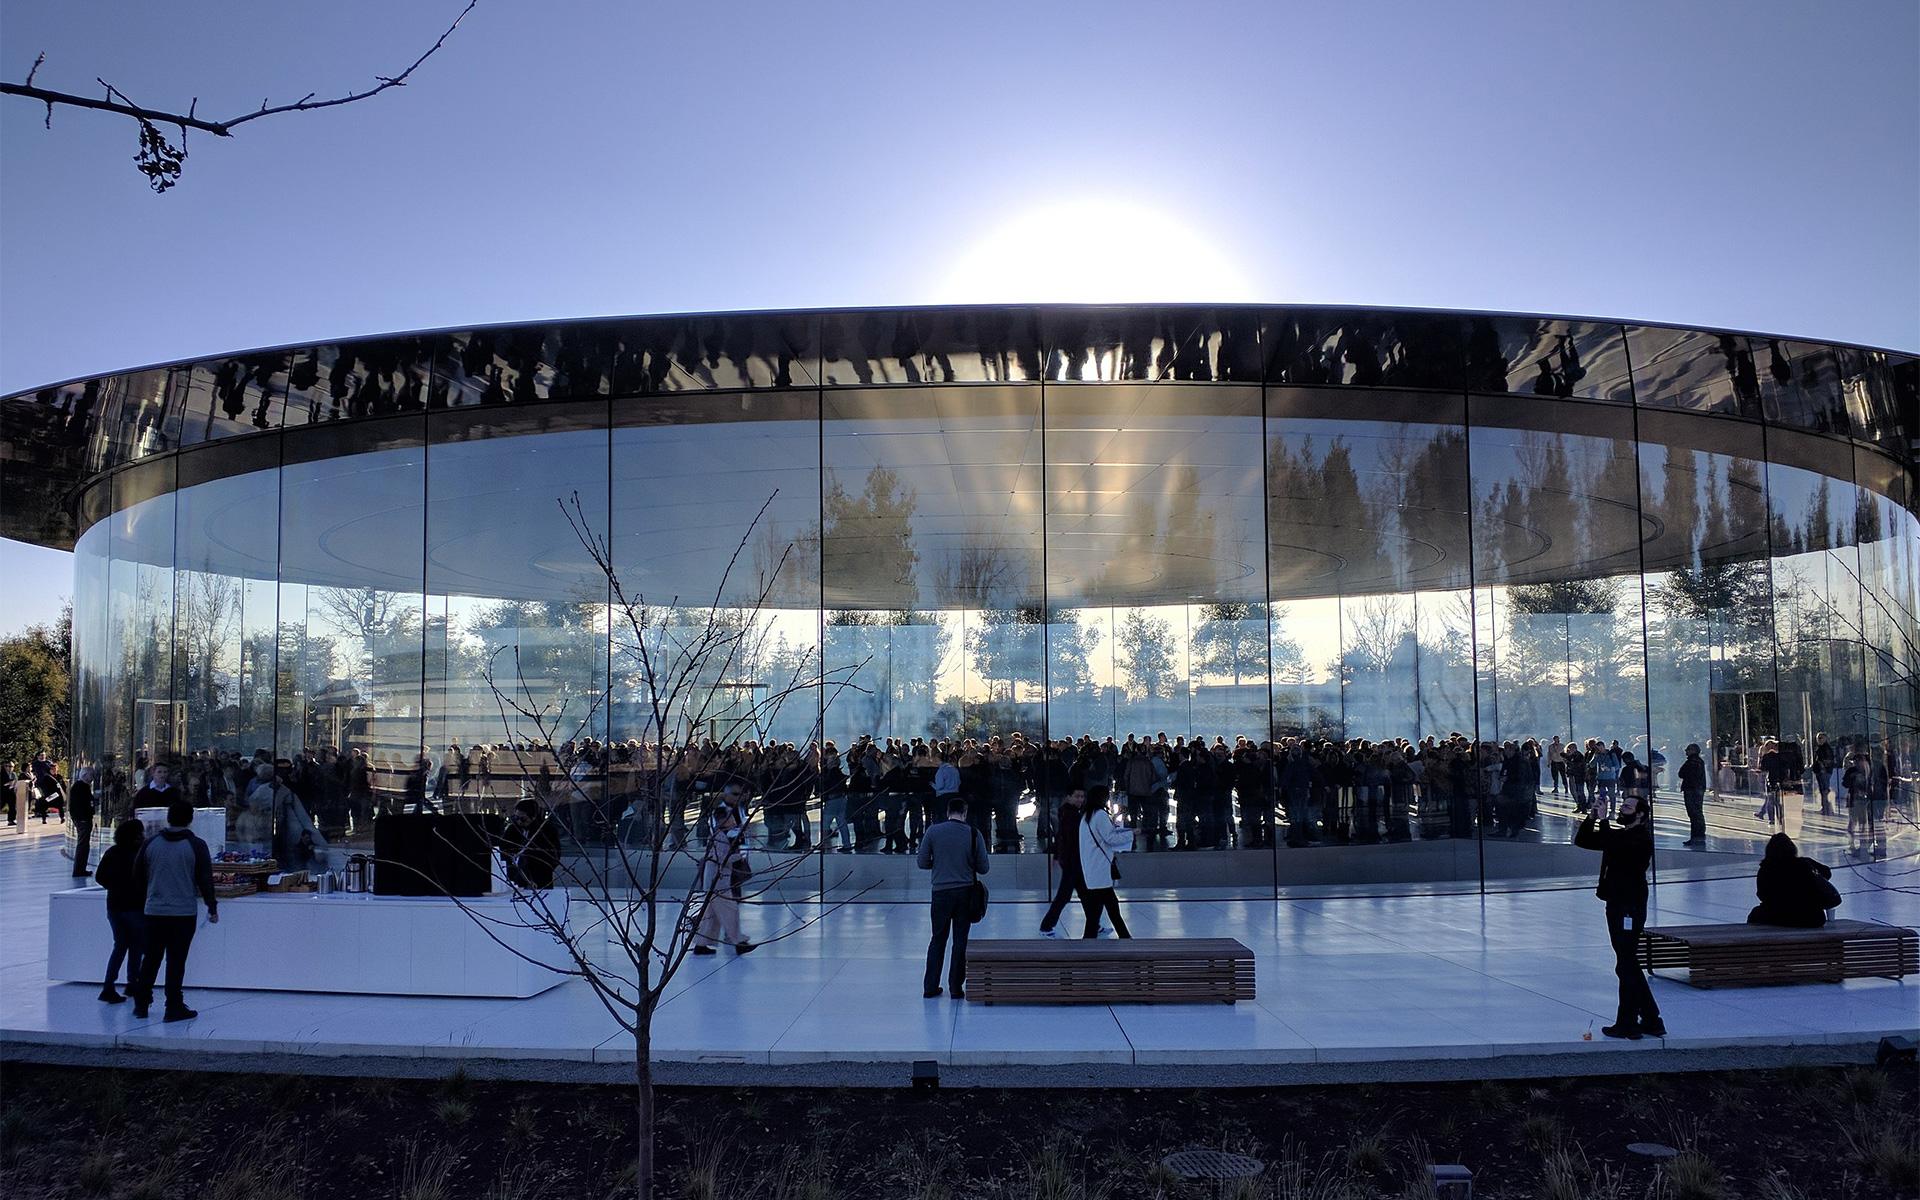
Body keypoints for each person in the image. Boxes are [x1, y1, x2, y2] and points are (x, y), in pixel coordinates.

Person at [1574, 793, 1664, 1040]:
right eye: (1622, 805)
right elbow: (1583, 840)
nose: (1622, 809)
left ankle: (1628, 1022)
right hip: (1616, 902)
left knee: (1626, 963)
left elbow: (1613, 844)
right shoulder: (1622, 834)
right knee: (1627, 963)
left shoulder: (1640, 838)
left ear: (1640, 814)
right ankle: (1650, 1019)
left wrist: (1602, 822)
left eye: (1627, 806)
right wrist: (1592, 817)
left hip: (1629, 906)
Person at [131, 799, 219, 1022]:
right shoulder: (196, 845)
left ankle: (141, 1002)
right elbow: (205, 879)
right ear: (190, 819)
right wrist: (212, 906)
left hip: (154, 910)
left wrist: (146, 899)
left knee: (150, 958)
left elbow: (137, 876)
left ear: (168, 817)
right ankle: (173, 1004)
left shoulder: (151, 843)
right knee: (176, 961)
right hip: (182, 912)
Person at [917, 793, 989, 998]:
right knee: (960, 940)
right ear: (965, 813)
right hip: (965, 893)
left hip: (940, 893)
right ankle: (956, 987)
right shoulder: (973, 834)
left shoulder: (933, 832)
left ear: (948, 812)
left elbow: (922, 862)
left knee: (938, 938)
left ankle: (930, 986)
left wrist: (938, 865)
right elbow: (984, 868)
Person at [92, 819, 149, 1004]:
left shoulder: (112, 852)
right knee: (136, 946)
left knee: (120, 946)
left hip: (115, 906)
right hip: (134, 906)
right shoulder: (139, 854)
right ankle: (133, 982)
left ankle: (109, 985)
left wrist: (115, 887)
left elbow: (100, 876)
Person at [691, 801, 755, 955]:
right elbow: (722, 858)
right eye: (731, 818)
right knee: (730, 911)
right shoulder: (720, 837)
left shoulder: (720, 835)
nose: (734, 820)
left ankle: (701, 944)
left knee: (711, 916)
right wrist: (739, 856)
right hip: (718, 882)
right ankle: (738, 942)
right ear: (722, 820)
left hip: (714, 881)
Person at [1747, 833, 1841, 928]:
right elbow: (1827, 872)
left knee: (1755, 915)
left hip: (1776, 915)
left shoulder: (1766, 868)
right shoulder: (1804, 864)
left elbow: (1762, 894)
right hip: (1810, 917)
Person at [1077, 785, 1132, 940]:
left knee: (1098, 911)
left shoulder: (1087, 815)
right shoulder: (1100, 815)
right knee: (1110, 909)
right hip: (1100, 868)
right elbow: (1110, 838)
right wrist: (1130, 834)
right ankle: (1125, 939)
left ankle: (1090, 940)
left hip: (1092, 868)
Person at [1038, 787, 1088, 938]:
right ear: (1069, 797)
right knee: (1066, 895)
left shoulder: (1069, 814)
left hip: (1071, 860)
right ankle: (1046, 926)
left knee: (1084, 894)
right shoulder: (1071, 815)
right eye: (1077, 796)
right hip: (1072, 861)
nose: (1080, 799)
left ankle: (1095, 922)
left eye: (1082, 797)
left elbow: (1061, 837)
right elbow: (1065, 838)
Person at [500, 798, 562, 890]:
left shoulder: (546, 831)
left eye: (523, 819)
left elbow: (554, 854)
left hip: (539, 876)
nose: (519, 822)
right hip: (515, 876)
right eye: (516, 818)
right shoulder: (512, 829)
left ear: (533, 817)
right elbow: (504, 849)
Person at [1678, 743, 1708, 848]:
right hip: (1697, 789)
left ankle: (1696, 836)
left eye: (1688, 750)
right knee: (1697, 813)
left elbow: (1681, 773)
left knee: (1694, 813)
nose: (1686, 751)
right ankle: (1699, 835)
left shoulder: (1691, 762)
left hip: (1691, 789)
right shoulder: (1699, 762)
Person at [69, 766, 97, 878]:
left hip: (83, 818)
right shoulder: (80, 787)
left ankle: (81, 868)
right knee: (83, 844)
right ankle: (79, 869)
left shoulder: (82, 787)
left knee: (84, 844)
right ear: (85, 775)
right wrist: (83, 818)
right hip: (82, 819)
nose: (93, 778)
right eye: (91, 775)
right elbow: (80, 805)